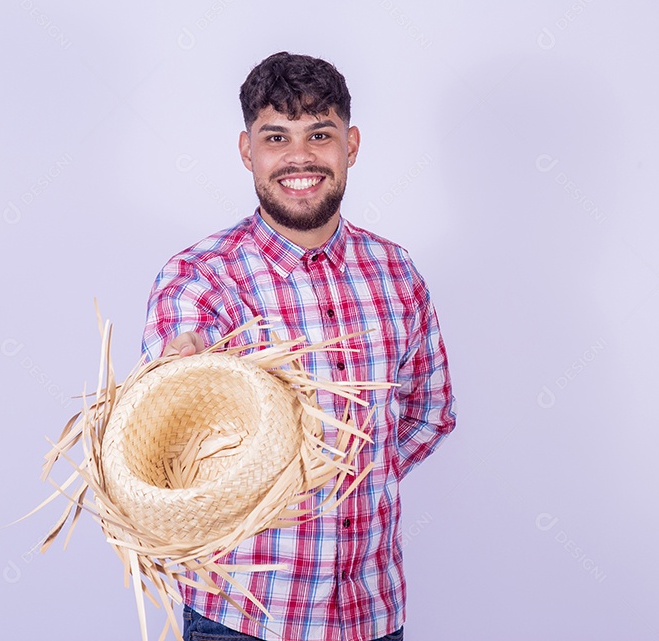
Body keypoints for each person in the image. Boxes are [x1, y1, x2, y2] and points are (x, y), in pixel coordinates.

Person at [141, 51, 456, 641]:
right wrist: (178, 370)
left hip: (372, 611)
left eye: (320, 134)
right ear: (247, 151)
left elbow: (427, 414)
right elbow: (168, 436)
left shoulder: (396, 273)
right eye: (276, 136)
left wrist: (345, 478)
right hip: (243, 617)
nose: (300, 157)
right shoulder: (201, 279)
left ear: (351, 145)